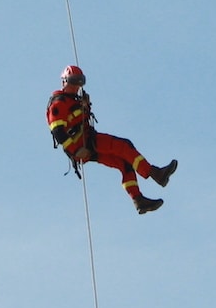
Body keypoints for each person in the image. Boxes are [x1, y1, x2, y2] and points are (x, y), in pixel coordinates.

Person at [45, 64, 177, 214]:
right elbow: (58, 132)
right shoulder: (59, 103)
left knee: (125, 163)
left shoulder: (74, 100)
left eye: (79, 83)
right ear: (64, 81)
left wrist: (85, 106)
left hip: (86, 144)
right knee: (124, 146)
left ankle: (139, 200)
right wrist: (75, 150)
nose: (77, 86)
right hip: (83, 143)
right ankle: (155, 173)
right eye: (73, 82)